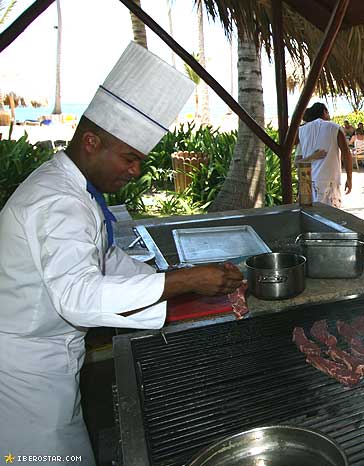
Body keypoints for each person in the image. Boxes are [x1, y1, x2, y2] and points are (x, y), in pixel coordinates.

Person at [0, 42, 245, 462]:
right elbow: (77, 296)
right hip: (25, 377)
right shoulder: (58, 201)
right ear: (92, 141)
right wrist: (183, 281)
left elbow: (107, 260)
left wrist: (174, 279)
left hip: (46, 363)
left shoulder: (74, 187)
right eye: (130, 158)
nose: (135, 171)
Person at [296, 102, 353, 207]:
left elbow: (297, 162)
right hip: (328, 183)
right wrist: (349, 178)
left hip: (307, 182)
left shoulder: (301, 130)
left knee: (309, 217)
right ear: (324, 112)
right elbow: (346, 152)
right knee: (329, 218)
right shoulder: (334, 127)